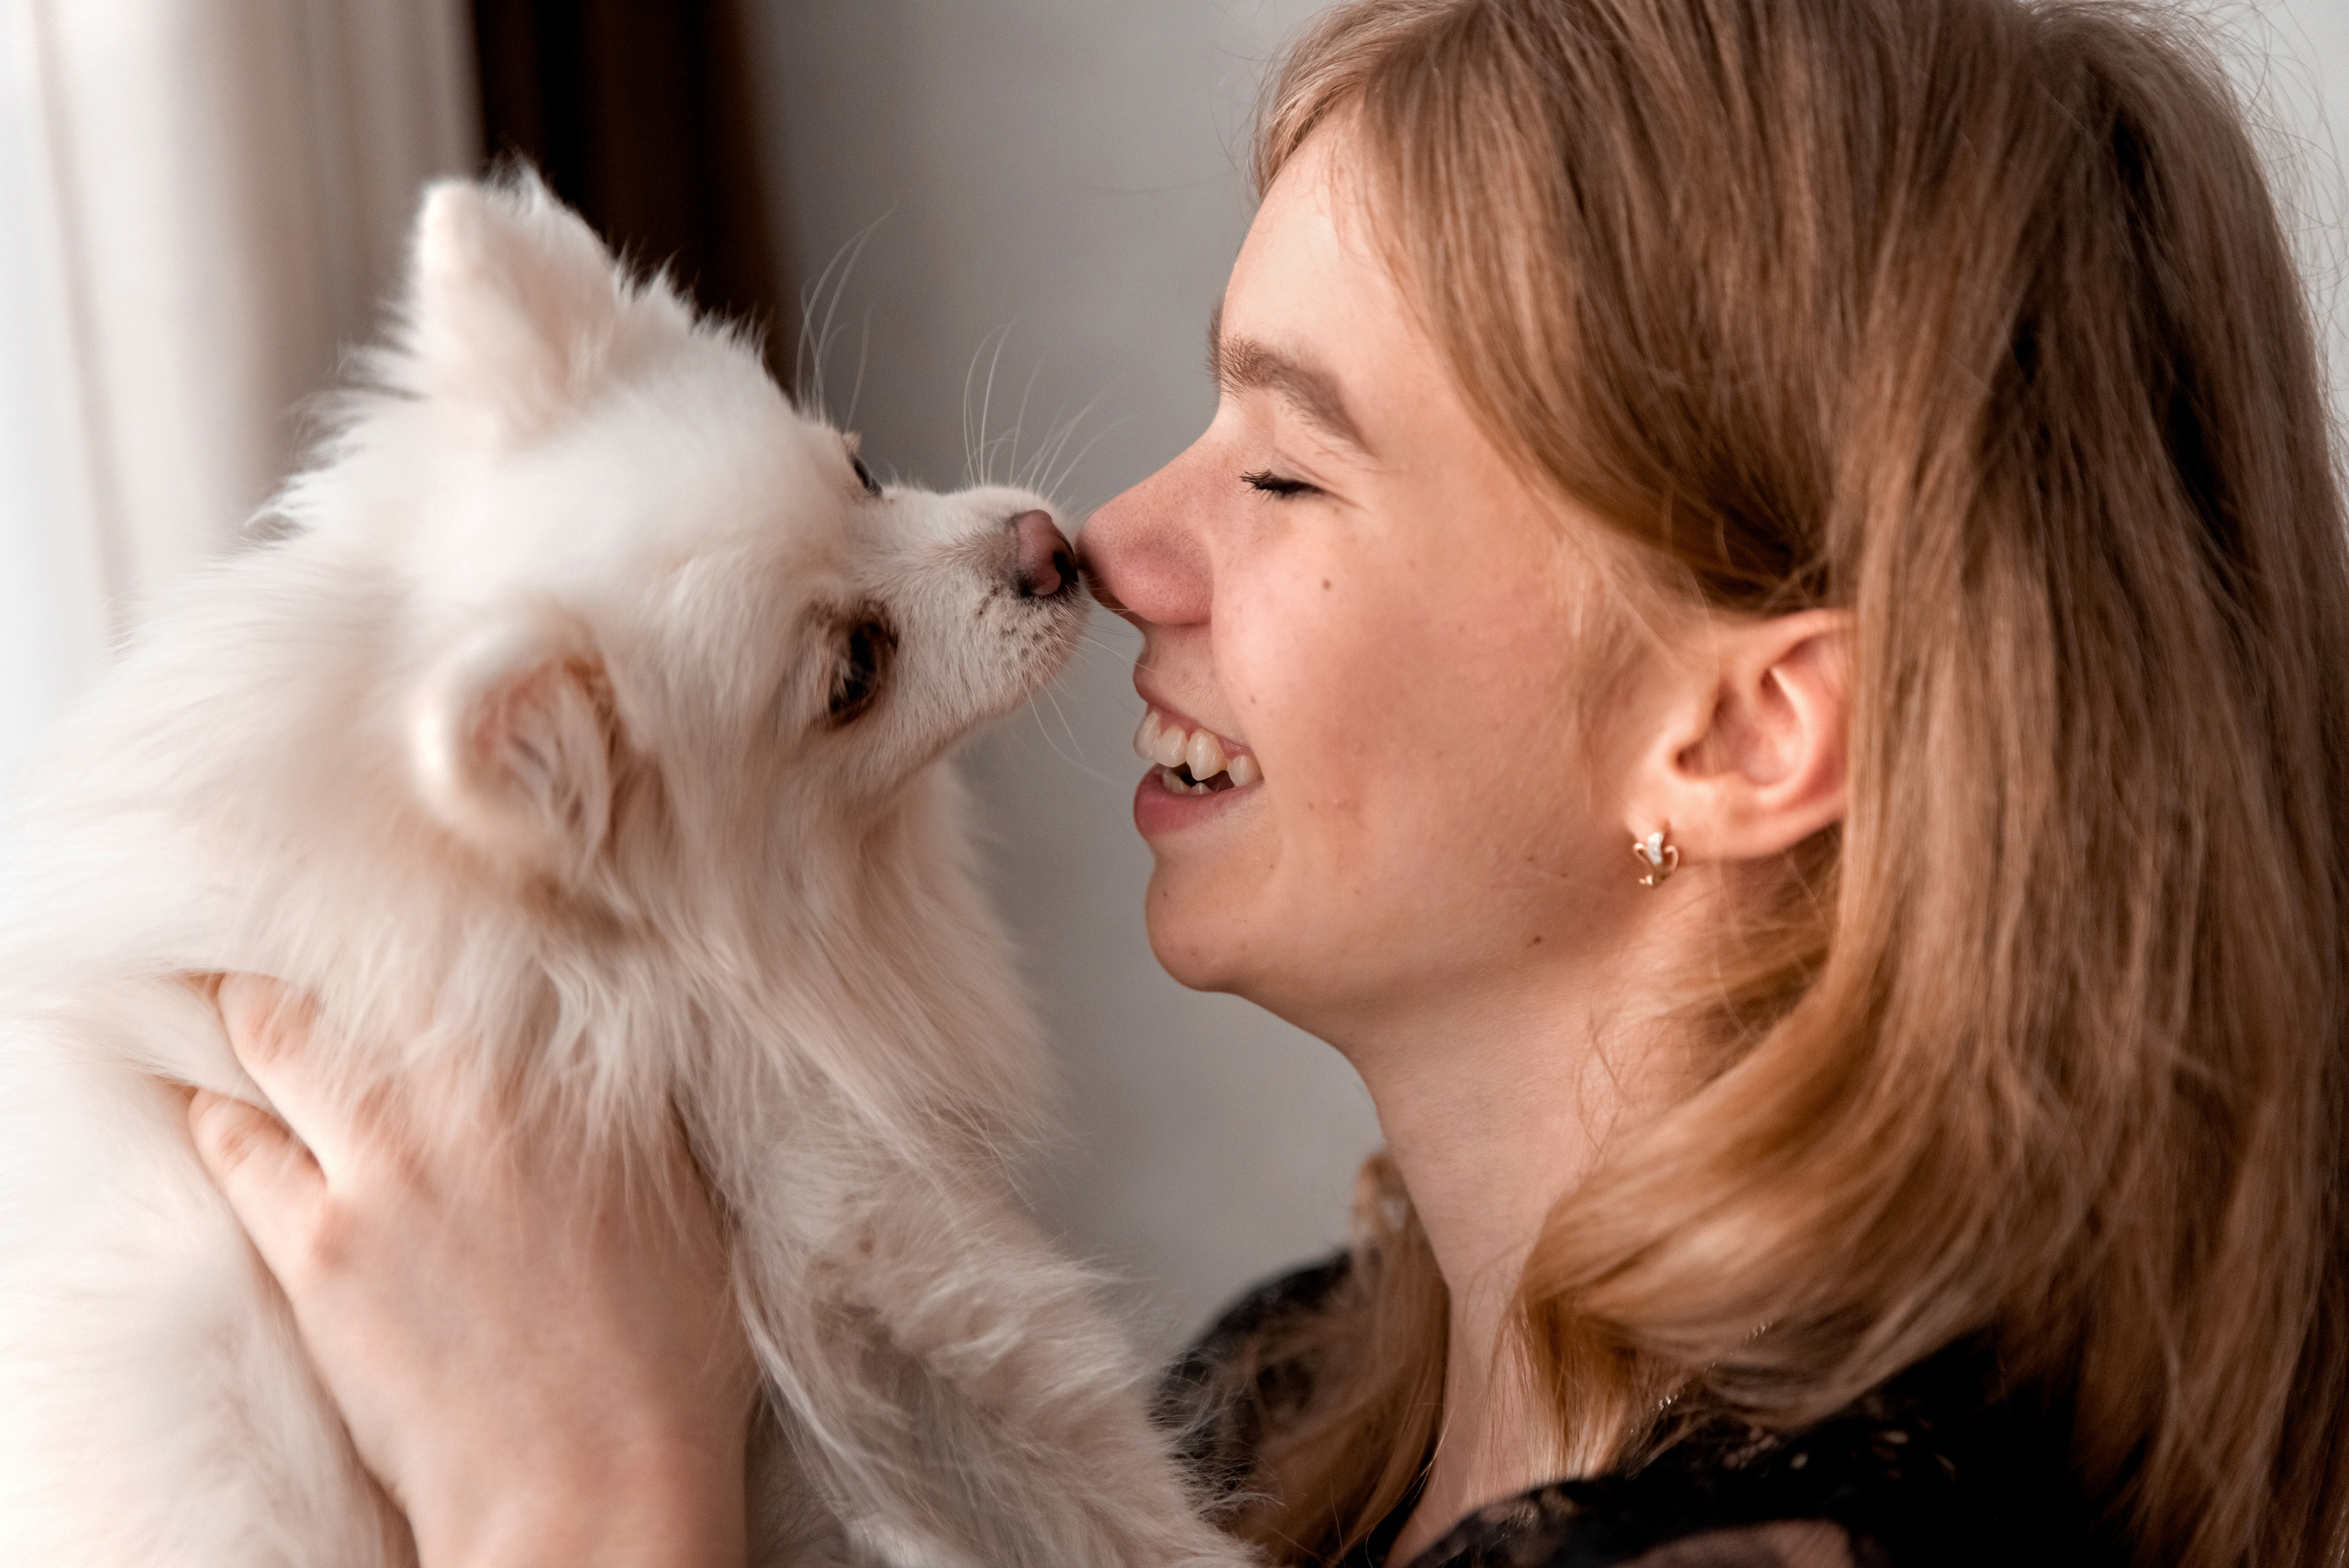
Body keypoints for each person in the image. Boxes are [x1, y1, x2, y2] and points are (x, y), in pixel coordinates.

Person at [182, 0, 2349, 1563]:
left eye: (1288, 462)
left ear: (1742, 731)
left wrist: (575, 1502)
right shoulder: (1277, 1412)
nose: (1113, 545)